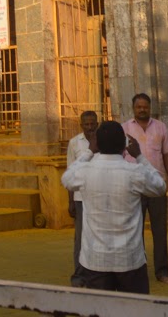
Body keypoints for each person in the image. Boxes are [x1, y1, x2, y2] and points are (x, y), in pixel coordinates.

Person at [60, 120, 166, 295]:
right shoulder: (134, 172)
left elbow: (67, 178)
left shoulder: (85, 171)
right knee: (134, 310)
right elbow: (160, 186)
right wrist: (140, 156)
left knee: (100, 310)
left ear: (97, 144)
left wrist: (88, 152)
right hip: (129, 258)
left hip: (96, 259)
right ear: (124, 146)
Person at [122, 93, 168, 283]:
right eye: (139, 107)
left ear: (150, 107)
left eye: (145, 106)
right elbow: (118, 158)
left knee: (160, 231)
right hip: (133, 188)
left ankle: (162, 272)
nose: (142, 110)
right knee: (135, 232)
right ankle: (138, 271)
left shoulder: (160, 127)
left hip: (156, 187)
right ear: (133, 108)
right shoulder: (124, 130)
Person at [65, 111, 100, 286]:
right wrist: (70, 201)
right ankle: (79, 275)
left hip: (99, 197)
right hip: (80, 198)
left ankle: (98, 273)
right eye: (86, 124)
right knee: (80, 238)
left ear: (97, 124)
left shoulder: (103, 142)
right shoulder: (74, 143)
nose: (90, 127)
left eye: (93, 124)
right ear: (81, 125)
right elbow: (70, 172)